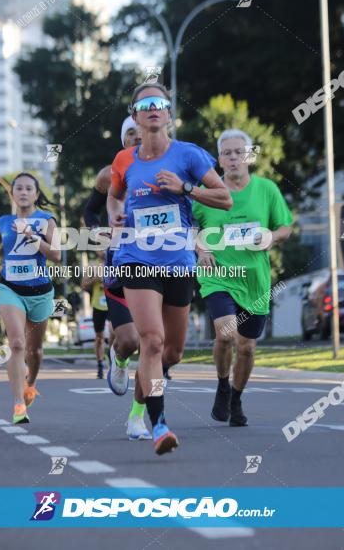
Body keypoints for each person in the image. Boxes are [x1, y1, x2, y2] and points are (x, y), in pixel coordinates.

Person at [107, 83, 233, 454]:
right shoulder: (123, 160)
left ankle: (144, 397)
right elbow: (114, 197)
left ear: (169, 113)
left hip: (178, 261)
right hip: (136, 259)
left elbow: (224, 198)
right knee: (153, 340)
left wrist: (185, 188)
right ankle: (159, 424)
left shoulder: (189, 155)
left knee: (172, 352)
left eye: (159, 104)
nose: (153, 109)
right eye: (145, 105)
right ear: (135, 116)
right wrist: (116, 217)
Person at [193, 129, 293, 427]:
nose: (233, 157)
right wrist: (200, 249)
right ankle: (223, 385)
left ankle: (235, 398)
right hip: (219, 275)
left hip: (255, 279)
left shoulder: (266, 190)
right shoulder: (206, 192)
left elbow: (285, 227)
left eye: (239, 152)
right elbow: (190, 229)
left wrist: (272, 237)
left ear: (248, 156)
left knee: (247, 347)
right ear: (219, 159)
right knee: (225, 334)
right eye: (227, 153)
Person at [82, 116, 152, 440]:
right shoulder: (109, 174)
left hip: (156, 262)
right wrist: (98, 232)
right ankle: (119, 357)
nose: (137, 141)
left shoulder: (165, 170)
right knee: (130, 341)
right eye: (131, 136)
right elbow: (90, 210)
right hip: (120, 261)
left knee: (157, 345)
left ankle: (140, 416)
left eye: (142, 135)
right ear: (123, 140)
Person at [0, 173, 61, 424]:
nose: (24, 192)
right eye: (19, 188)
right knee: (16, 344)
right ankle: (18, 405)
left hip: (39, 292)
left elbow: (57, 255)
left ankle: (31, 383)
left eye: (29, 188)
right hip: (10, 289)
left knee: (34, 351)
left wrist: (31, 236)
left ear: (36, 195)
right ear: (13, 194)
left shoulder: (48, 221)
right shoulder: (4, 221)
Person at [80, 252, 109, 379]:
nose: (103, 250)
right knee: (99, 337)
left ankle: (115, 362)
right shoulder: (93, 266)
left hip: (114, 303)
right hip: (98, 305)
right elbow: (83, 285)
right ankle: (100, 364)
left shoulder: (117, 262)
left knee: (115, 334)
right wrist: (95, 279)